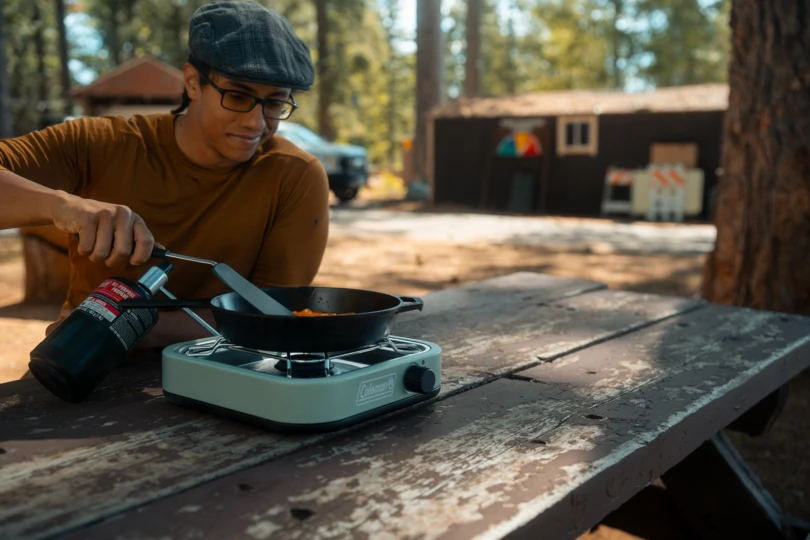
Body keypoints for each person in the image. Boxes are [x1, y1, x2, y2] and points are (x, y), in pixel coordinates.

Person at [0, 1, 330, 349]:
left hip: (230, 373)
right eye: (237, 95)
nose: (256, 122)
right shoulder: (101, 144)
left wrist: (135, 325)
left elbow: (270, 315)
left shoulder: (294, 176)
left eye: (275, 104)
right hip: (86, 370)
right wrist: (63, 207)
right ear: (192, 82)